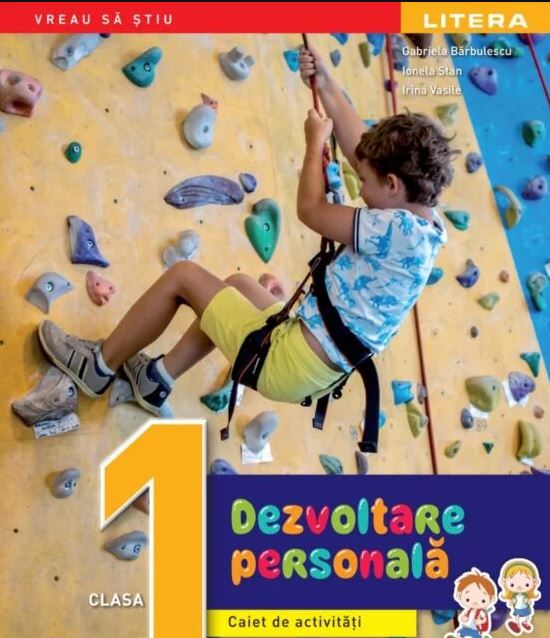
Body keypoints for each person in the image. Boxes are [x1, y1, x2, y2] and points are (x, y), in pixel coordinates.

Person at [37, 45, 455, 417]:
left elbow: (310, 210)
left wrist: (314, 147)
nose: (359, 189)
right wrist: (326, 84)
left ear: (392, 185)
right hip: (311, 369)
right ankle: (155, 379)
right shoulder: (424, 224)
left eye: (363, 182)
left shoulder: (395, 229)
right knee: (236, 286)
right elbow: (362, 151)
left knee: (183, 276)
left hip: (290, 360)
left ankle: (98, 367)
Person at [444, 568, 497, 638]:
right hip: (467, 626)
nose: (475, 602)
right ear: (459, 595)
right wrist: (464, 618)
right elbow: (464, 617)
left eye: (482, 600)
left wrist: (480, 621)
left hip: (475, 629)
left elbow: (484, 619)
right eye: (468, 599)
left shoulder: (481, 612)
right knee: (460, 632)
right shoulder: (469, 610)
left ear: (491, 599)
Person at [498, 559, 541, 636]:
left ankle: (525, 623)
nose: (519, 587)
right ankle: (516, 624)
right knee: (517, 616)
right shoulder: (514, 596)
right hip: (518, 607)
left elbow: (527, 600)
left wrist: (528, 601)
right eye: (512, 584)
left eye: (526, 584)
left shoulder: (526, 595)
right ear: (504, 582)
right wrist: (512, 602)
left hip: (524, 607)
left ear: (534, 582)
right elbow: (513, 600)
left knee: (527, 615)